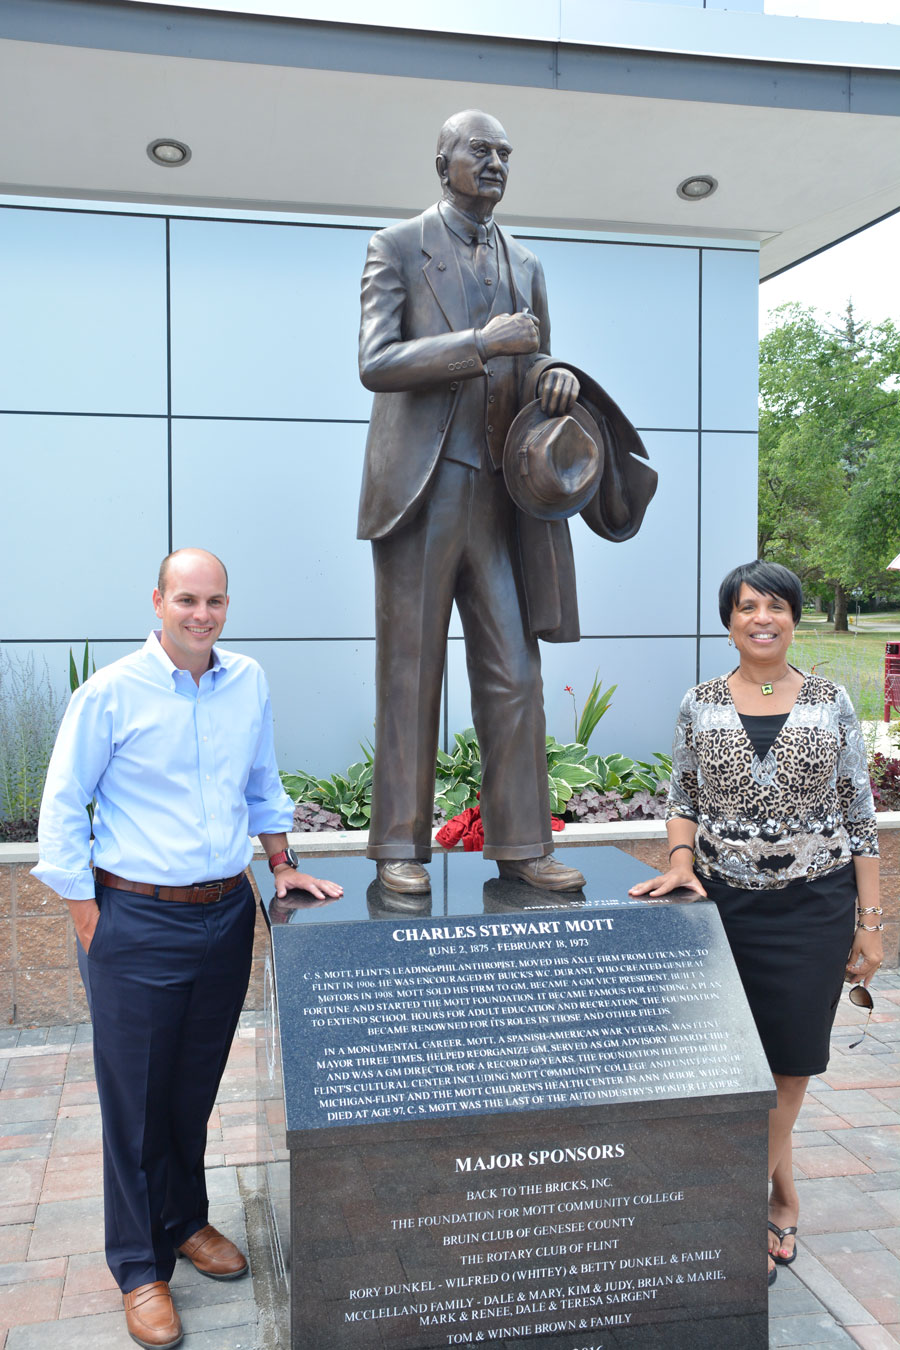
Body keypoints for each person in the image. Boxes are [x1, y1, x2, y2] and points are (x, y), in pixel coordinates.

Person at [33, 548, 343, 1350]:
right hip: (134, 919)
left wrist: (281, 864)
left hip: (222, 915)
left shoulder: (247, 682)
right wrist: (85, 914)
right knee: (134, 1103)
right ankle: (140, 1268)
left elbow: (263, 784)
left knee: (191, 1091)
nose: (199, 614)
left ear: (227, 606)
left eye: (213, 601)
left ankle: (184, 1221)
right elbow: (63, 807)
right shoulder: (109, 694)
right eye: (185, 600)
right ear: (158, 601)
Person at [357, 108, 655, 896]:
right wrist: (481, 345)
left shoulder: (525, 263)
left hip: (501, 501)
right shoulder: (396, 247)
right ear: (442, 161)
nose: (494, 164)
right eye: (479, 151)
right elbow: (376, 361)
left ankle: (523, 844)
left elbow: (537, 354)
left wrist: (555, 373)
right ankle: (398, 848)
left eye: (504, 154)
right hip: (419, 493)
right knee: (410, 674)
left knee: (515, 677)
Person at [629, 560, 882, 1288]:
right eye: (747, 607)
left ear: (794, 618)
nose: (761, 618)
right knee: (741, 1062)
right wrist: (680, 861)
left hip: (815, 906)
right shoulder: (699, 703)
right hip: (725, 907)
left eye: (775, 606)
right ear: (729, 620)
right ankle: (783, 1196)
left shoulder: (831, 701)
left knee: (792, 1060)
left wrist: (870, 921)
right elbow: (681, 795)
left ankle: (732, 1206)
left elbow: (861, 817)